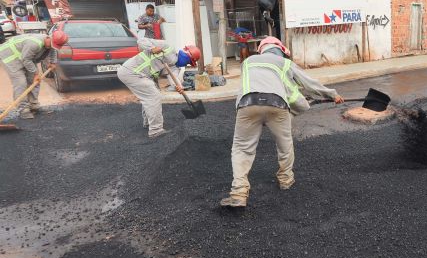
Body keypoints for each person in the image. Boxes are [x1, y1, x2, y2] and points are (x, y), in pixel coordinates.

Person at [220, 36, 344, 208]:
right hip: (277, 105)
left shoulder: (247, 62)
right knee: (285, 145)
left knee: (242, 148)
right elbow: (308, 84)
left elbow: (258, 84)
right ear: (281, 51)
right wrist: (332, 94)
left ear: (261, 50)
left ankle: (239, 193)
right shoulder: (285, 63)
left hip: (248, 105)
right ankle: (286, 180)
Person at [117, 38, 201, 138]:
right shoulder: (166, 47)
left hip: (142, 75)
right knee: (153, 96)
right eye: (188, 62)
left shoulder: (175, 67)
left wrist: (179, 87)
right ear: (186, 56)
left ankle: (148, 123)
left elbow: (173, 79)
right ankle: (156, 130)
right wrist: (152, 48)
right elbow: (141, 41)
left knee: (150, 94)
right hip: (131, 72)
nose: (186, 64)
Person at [0, 31, 69, 119]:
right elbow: (26, 60)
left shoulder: (50, 42)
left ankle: (34, 106)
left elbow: (53, 49)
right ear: (49, 37)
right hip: (11, 58)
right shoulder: (34, 44)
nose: (51, 46)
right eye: (51, 44)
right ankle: (23, 109)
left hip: (26, 58)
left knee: (35, 81)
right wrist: (36, 73)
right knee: (21, 83)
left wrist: (53, 62)